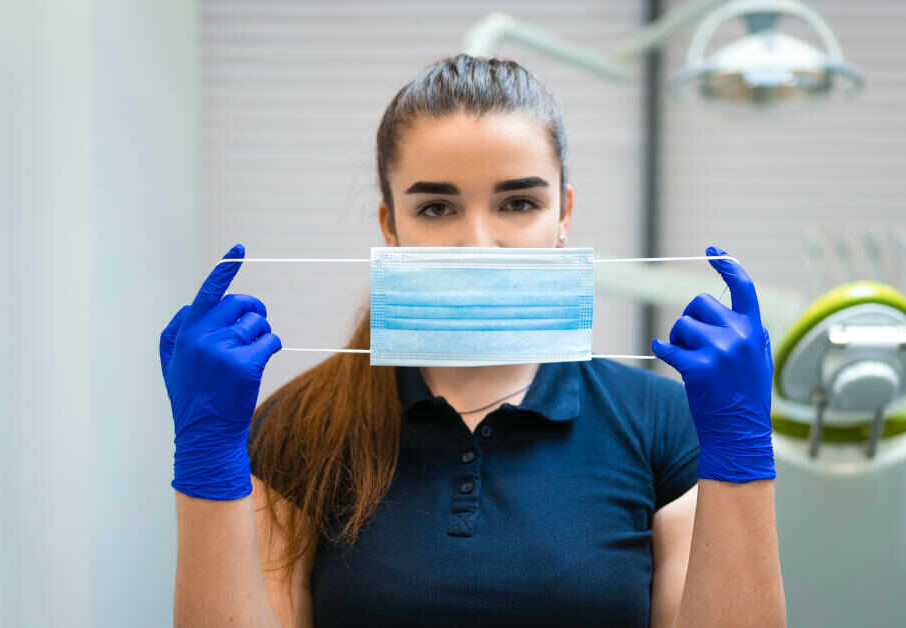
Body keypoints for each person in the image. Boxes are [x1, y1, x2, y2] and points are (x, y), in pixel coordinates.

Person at [160, 54, 785, 628]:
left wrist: (742, 453)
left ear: (563, 214)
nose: (478, 242)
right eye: (437, 208)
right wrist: (207, 461)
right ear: (390, 225)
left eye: (518, 203)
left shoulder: (661, 425)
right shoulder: (300, 428)